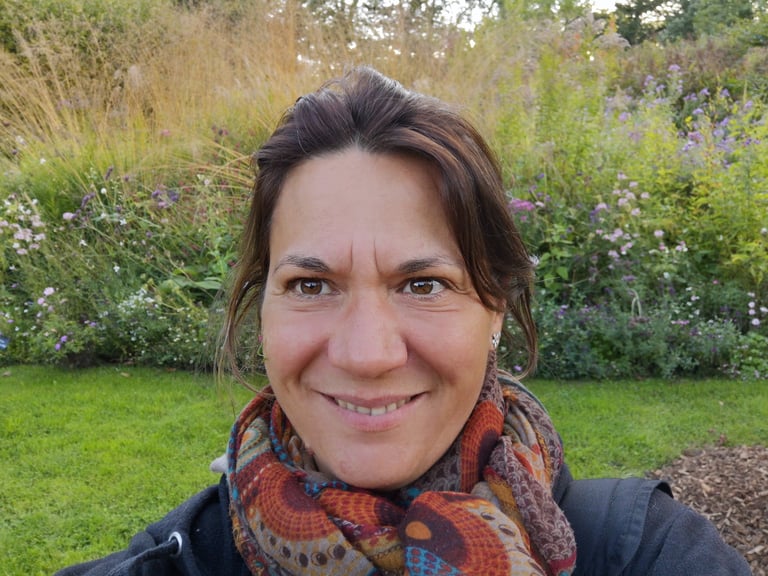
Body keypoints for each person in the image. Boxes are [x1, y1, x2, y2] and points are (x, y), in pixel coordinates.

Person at [56, 66, 751, 576]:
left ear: (495, 308)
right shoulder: (173, 562)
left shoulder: (651, 554)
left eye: (424, 284)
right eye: (310, 284)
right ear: (261, 306)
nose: (367, 354)